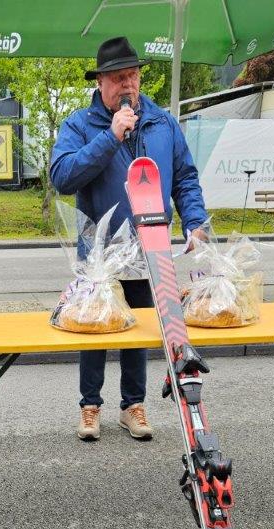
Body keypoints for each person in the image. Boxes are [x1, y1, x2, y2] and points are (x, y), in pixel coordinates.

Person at [50, 36, 209, 443]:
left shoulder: (162, 123)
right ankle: (90, 405)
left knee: (138, 329)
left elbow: (185, 178)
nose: (128, 85)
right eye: (119, 78)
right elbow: (62, 177)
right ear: (100, 82)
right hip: (99, 255)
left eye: (133, 76)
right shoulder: (80, 125)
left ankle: (132, 405)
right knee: (95, 328)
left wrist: (195, 221)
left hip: (149, 249)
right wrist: (110, 138)